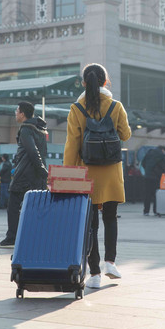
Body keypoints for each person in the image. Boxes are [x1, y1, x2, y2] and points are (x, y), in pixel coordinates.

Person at [63, 63, 132, 289]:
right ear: (105, 82)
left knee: (90, 224)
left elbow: (72, 144)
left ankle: (94, 274)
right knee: (110, 218)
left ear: (84, 83)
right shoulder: (115, 105)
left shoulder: (77, 107)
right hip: (111, 172)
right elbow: (126, 134)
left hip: (87, 174)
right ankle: (110, 262)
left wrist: (67, 174)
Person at [0, 101, 48, 247]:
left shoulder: (26, 129)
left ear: (22, 114)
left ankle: (12, 237)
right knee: (35, 206)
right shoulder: (40, 128)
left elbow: (33, 151)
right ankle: (37, 235)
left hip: (25, 174)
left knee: (13, 205)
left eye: (17, 111)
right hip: (36, 176)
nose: (15, 113)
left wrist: (41, 169)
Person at [141, 146, 165, 216]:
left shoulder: (149, 152)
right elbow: (164, 167)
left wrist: (147, 170)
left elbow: (143, 163)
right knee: (156, 194)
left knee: (147, 195)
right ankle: (156, 211)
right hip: (156, 178)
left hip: (147, 177)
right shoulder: (162, 155)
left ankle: (146, 211)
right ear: (163, 150)